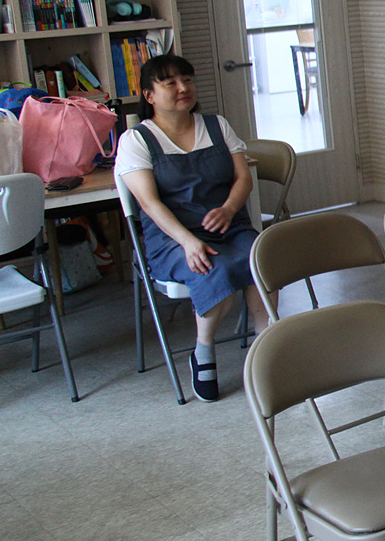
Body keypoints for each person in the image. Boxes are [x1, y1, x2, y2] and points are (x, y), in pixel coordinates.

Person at [116, 54, 271, 403]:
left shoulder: (216, 125)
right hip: (171, 238)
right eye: (170, 82)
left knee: (262, 259)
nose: (183, 88)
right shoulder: (136, 140)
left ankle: (265, 344)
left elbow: (243, 178)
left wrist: (229, 209)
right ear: (149, 95)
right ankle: (203, 349)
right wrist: (187, 241)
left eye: (187, 79)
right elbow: (149, 203)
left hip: (230, 227)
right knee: (212, 267)